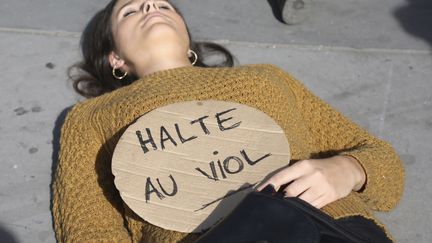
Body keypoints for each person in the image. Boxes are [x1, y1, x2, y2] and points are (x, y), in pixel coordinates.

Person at [51, 0, 404, 242]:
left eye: (163, 5)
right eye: (130, 10)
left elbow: (384, 165)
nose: (149, 6)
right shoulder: (90, 118)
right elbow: (89, 226)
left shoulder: (262, 79)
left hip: (330, 226)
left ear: (188, 40)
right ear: (116, 57)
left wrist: (348, 169)